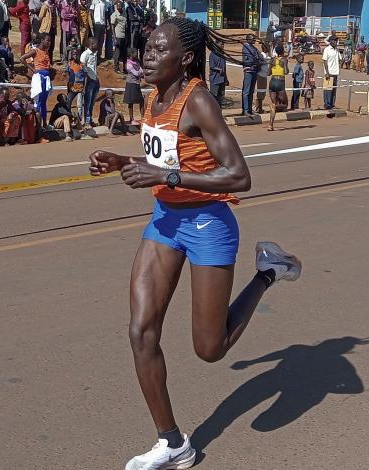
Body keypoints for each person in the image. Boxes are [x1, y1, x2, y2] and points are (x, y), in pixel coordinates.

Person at [87, 17, 302, 470]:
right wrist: (122, 161)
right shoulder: (152, 97)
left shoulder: (198, 100)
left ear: (184, 58)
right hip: (165, 220)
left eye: (158, 49)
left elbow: (240, 176)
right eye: (146, 47)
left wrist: (164, 175)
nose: (147, 56)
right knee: (140, 332)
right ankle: (172, 443)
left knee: (210, 348)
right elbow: (166, 158)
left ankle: (269, 272)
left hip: (209, 223)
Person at [20, 33, 53, 122]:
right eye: (47, 40)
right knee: (38, 101)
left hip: (46, 78)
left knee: (44, 102)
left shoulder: (46, 51)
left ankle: (44, 123)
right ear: (42, 40)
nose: (49, 42)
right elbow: (22, 58)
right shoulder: (35, 51)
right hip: (39, 78)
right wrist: (33, 69)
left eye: (50, 41)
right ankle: (37, 124)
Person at [266, 45, 287, 131]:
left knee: (273, 104)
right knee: (285, 104)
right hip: (280, 82)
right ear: (282, 52)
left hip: (272, 81)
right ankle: (276, 106)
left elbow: (268, 73)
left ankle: (270, 125)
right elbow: (286, 72)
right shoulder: (284, 60)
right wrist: (284, 65)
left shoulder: (272, 60)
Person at [80, 37, 100, 128]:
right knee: (87, 102)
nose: (97, 45)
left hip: (95, 79)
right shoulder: (85, 54)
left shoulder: (95, 54)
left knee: (92, 102)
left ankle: (90, 119)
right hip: (89, 81)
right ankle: (87, 122)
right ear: (91, 44)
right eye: (95, 43)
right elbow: (83, 68)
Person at [240, 34, 260, 116]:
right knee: (246, 91)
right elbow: (250, 58)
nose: (254, 40)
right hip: (248, 71)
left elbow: (257, 57)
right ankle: (245, 110)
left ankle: (250, 109)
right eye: (253, 39)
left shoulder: (254, 48)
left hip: (254, 71)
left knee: (251, 91)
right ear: (248, 39)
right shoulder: (246, 48)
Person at [124, 48, 144, 124]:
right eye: (136, 52)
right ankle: (131, 119)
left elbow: (141, 72)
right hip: (131, 83)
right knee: (131, 102)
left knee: (141, 101)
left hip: (137, 83)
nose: (137, 53)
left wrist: (140, 72)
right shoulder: (128, 64)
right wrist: (140, 72)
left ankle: (143, 117)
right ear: (131, 54)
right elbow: (137, 73)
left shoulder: (137, 62)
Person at [321, 35, 340, 109]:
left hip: (335, 72)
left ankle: (332, 103)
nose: (336, 42)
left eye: (336, 41)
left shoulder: (337, 50)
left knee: (334, 90)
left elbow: (339, 59)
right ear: (331, 41)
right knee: (327, 90)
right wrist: (327, 72)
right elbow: (324, 61)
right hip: (329, 73)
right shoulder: (327, 50)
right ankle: (327, 104)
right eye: (334, 40)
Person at [110, 0, 127, 73]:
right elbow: (112, 26)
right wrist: (114, 38)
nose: (119, 7)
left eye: (120, 6)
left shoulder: (124, 14)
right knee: (117, 52)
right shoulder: (114, 15)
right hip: (118, 36)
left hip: (124, 36)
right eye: (118, 6)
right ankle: (116, 68)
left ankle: (125, 68)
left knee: (124, 53)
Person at [208, 40, 227, 104]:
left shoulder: (222, 55)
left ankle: (220, 112)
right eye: (222, 44)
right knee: (214, 97)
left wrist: (226, 78)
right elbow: (212, 66)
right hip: (215, 79)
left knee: (221, 97)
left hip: (222, 79)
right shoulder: (212, 54)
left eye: (223, 44)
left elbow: (224, 68)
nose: (223, 46)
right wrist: (219, 70)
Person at [255, 41, 270, 114]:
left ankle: (259, 108)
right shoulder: (262, 55)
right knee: (261, 91)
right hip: (261, 75)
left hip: (263, 75)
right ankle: (259, 108)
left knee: (262, 91)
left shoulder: (265, 55)